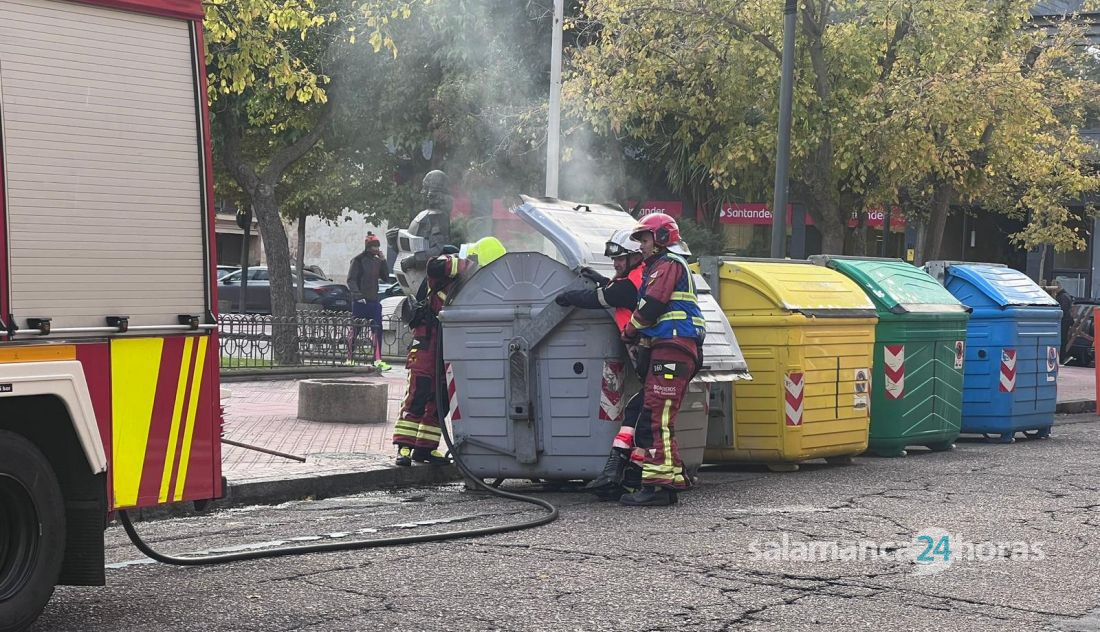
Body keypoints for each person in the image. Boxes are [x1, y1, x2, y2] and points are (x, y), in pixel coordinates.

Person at [618, 212, 705, 507]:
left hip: (672, 350)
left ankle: (656, 487)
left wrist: (629, 330)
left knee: (656, 416)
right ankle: (672, 479)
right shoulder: (663, 265)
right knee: (661, 415)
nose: (641, 245)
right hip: (674, 349)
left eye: (644, 239)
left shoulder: (666, 265)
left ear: (662, 238)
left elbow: (651, 305)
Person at [553, 229, 647, 499]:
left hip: (650, 355)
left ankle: (629, 476)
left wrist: (570, 297)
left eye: (619, 258)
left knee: (642, 415)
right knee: (641, 413)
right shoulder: (636, 278)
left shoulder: (631, 282)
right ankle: (629, 476)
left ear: (634, 257)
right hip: (650, 357)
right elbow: (619, 293)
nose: (615, 263)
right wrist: (603, 280)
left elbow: (601, 298)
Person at [392, 252, 468, 466]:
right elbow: (434, 264)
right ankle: (404, 447)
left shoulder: (457, 286)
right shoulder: (437, 276)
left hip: (442, 353)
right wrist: (468, 261)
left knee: (438, 403)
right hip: (425, 351)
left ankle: (425, 448)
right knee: (417, 397)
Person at [346, 232, 391, 370]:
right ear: (368, 246)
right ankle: (349, 358)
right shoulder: (358, 260)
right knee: (355, 329)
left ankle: (377, 360)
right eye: (374, 246)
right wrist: (358, 295)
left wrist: (383, 261)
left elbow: (386, 277)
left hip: (373, 301)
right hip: (360, 302)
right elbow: (351, 279)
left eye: (378, 246)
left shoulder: (377, 261)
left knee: (377, 329)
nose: (377, 249)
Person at [1054, 282, 1074, 360]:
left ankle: (1061, 357)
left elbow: (1063, 310)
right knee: (1063, 338)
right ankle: (1062, 357)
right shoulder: (1065, 296)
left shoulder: (1062, 297)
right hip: (1065, 321)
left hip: (1063, 321)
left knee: (1062, 339)